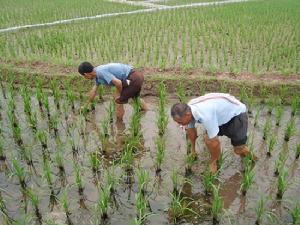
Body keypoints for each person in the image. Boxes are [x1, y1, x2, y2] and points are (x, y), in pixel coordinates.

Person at [170, 93, 257, 174]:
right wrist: (193, 150)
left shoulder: (206, 115)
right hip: (220, 115)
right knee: (208, 138)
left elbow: (215, 142)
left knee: (238, 150)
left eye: (180, 122)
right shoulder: (188, 109)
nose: (179, 124)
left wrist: (213, 162)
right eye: (177, 122)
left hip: (236, 114)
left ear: (188, 114)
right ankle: (215, 159)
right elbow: (190, 130)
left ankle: (254, 160)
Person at [78, 62, 148, 119]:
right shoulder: (97, 74)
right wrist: (86, 105)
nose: (85, 78)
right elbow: (94, 91)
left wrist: (118, 94)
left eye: (84, 76)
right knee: (135, 98)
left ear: (86, 74)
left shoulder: (100, 72)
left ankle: (119, 125)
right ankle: (146, 112)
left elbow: (118, 82)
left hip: (133, 79)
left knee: (118, 101)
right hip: (136, 76)